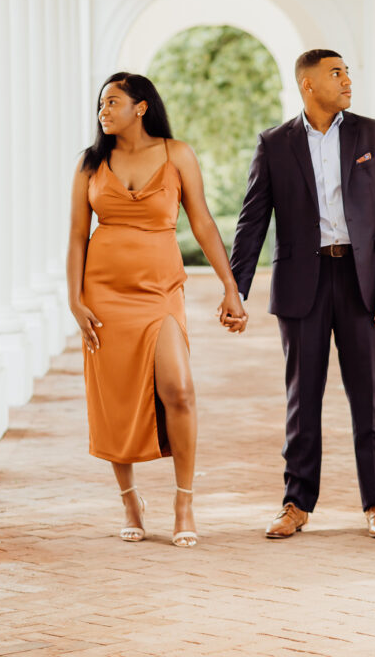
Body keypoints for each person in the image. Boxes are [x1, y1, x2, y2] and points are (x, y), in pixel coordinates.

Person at [230, 49, 375, 539]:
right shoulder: (275, 143)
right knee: (301, 399)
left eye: (347, 71)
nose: (347, 79)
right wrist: (235, 288)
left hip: (361, 283)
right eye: (336, 73)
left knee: (365, 398)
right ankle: (296, 503)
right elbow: (252, 221)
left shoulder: (373, 135)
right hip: (300, 284)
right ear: (308, 84)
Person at [67, 72, 247, 547]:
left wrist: (230, 287)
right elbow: (75, 238)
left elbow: (203, 222)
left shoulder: (176, 154)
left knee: (180, 389)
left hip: (160, 293)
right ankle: (130, 500)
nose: (103, 111)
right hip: (104, 296)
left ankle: (183, 500)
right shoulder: (90, 163)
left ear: (141, 107)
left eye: (113, 102)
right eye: (101, 104)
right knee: (115, 399)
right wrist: (74, 299)